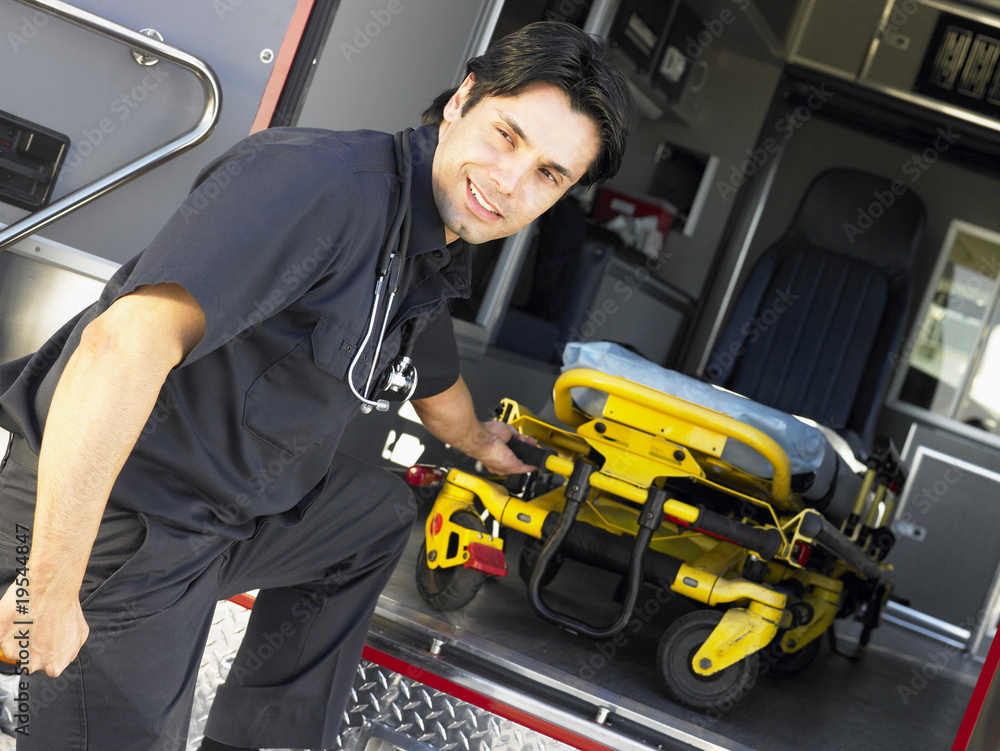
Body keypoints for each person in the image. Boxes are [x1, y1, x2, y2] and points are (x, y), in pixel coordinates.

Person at [0, 20, 631, 751]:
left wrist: (479, 440)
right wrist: (45, 584)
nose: (510, 182)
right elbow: (121, 343)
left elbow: (431, 369)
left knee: (375, 516)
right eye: (507, 136)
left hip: (226, 520)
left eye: (550, 174)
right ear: (462, 101)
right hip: (120, 525)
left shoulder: (426, 241)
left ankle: (259, 738)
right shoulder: (324, 187)